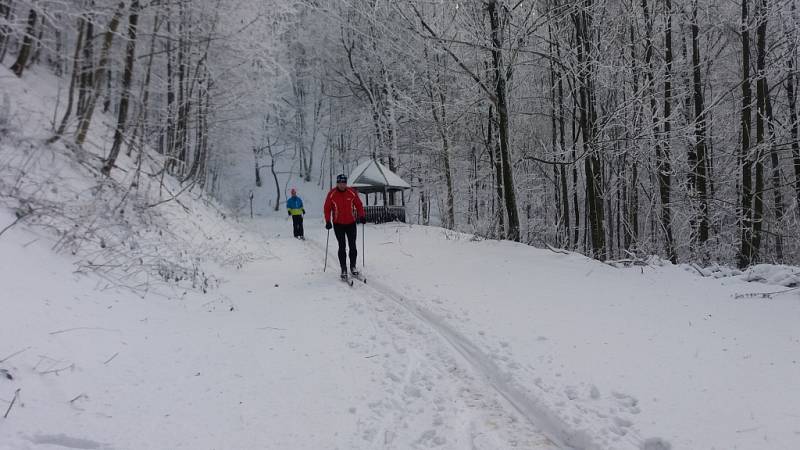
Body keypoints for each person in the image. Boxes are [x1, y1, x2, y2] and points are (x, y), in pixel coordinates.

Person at [323, 174, 366, 279]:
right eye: (340, 183)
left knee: (353, 245)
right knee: (342, 246)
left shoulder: (351, 192)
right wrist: (328, 221)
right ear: (337, 183)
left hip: (351, 223)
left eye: (344, 183)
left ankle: (353, 266)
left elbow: (359, 205)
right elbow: (327, 208)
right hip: (338, 224)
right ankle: (343, 268)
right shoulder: (332, 194)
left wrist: (362, 216)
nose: (342, 185)